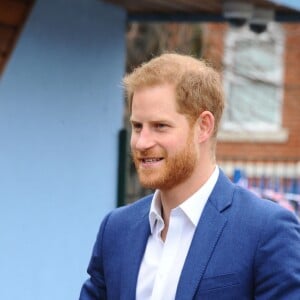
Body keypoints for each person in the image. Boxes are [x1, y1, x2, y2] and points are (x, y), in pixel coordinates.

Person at [79, 53, 300, 300]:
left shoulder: (266, 230)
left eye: (160, 126)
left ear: (204, 126)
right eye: (137, 126)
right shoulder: (116, 230)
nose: (142, 142)